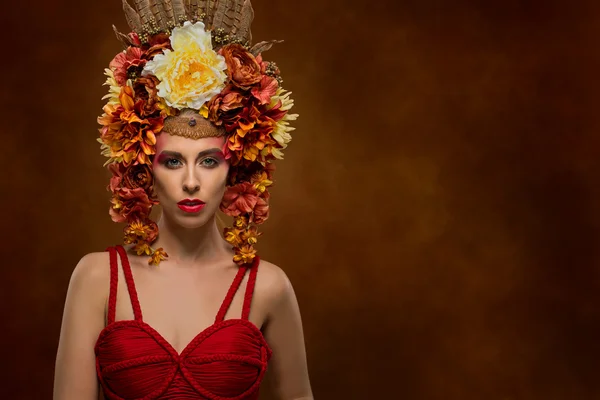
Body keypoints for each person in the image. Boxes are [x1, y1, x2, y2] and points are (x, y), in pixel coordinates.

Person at [53, 0, 313, 399]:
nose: (191, 182)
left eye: (209, 161)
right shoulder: (96, 280)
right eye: (172, 161)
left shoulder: (268, 287)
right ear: (144, 170)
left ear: (236, 170)